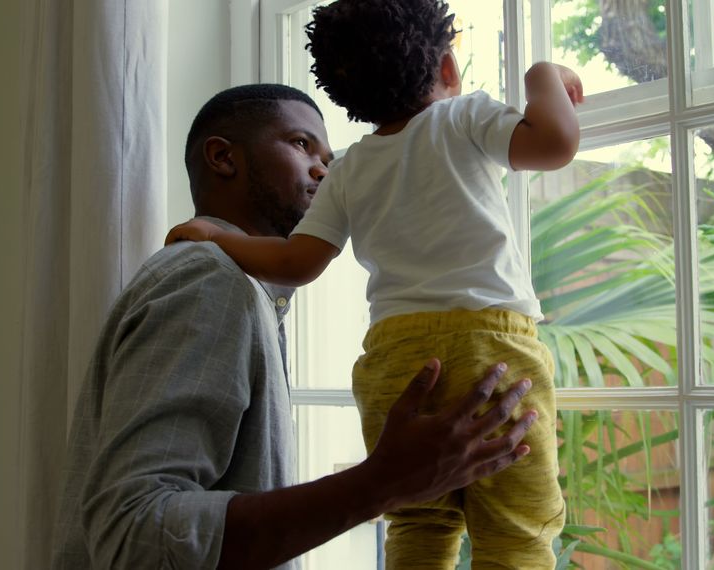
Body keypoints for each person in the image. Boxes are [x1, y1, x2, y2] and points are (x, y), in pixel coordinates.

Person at [50, 83, 540, 570]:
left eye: (329, 157)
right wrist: (382, 482)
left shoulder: (240, 288)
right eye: (302, 144)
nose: (324, 171)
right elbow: (134, 534)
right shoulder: (208, 282)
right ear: (223, 158)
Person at [164, 1, 584, 567]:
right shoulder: (463, 116)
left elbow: (296, 261)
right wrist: (544, 75)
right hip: (490, 346)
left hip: (398, 359)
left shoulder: (350, 168)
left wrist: (212, 236)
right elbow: (555, 142)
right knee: (517, 528)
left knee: (417, 522)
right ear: (446, 69)